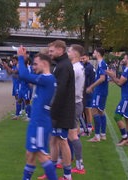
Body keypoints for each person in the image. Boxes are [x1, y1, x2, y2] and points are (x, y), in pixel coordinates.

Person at [17, 46, 57, 180]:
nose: (33, 67)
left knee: (40, 154)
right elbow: (26, 77)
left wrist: (21, 58)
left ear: (44, 63)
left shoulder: (47, 79)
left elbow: (23, 75)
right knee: (30, 154)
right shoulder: (44, 78)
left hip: (40, 122)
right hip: (37, 121)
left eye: (35, 64)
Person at [44, 40, 75, 180]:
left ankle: (68, 176)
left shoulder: (64, 66)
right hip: (58, 111)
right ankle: (51, 172)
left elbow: (60, 90)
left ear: (61, 50)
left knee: (63, 141)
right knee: (53, 140)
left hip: (62, 112)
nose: (49, 53)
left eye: (52, 51)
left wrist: (51, 108)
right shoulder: (60, 65)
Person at [106, 52, 128, 146]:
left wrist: (112, 76)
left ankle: (125, 137)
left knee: (117, 116)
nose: (123, 59)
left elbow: (120, 83)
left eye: (124, 58)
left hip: (127, 98)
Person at [67, 44, 86, 174]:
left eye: (69, 51)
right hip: (76, 103)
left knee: (72, 135)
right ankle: (68, 159)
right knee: (71, 134)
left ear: (75, 54)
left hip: (73, 104)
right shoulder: (78, 67)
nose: (67, 52)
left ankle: (79, 165)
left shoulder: (75, 69)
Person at [86, 47, 109, 142]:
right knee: (100, 112)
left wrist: (91, 86)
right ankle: (103, 134)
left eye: (95, 52)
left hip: (100, 91)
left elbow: (102, 78)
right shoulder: (102, 64)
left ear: (98, 53)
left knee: (94, 111)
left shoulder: (101, 64)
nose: (93, 53)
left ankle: (97, 136)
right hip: (101, 91)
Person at [82, 54, 95, 135]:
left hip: (87, 90)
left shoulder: (88, 67)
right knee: (85, 109)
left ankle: (89, 127)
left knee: (87, 109)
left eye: (84, 58)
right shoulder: (89, 67)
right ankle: (86, 126)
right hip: (87, 90)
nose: (82, 59)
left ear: (88, 58)